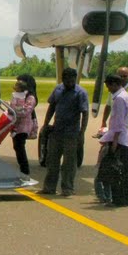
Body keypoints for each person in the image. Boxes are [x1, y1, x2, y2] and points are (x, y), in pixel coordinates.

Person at [40, 67, 89, 197]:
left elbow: (85, 113)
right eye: (67, 80)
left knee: (69, 163)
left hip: (72, 133)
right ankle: (49, 187)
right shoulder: (58, 89)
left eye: (72, 80)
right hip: (57, 131)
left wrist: (82, 133)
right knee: (52, 160)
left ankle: (67, 188)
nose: (69, 82)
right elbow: (52, 107)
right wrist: (45, 124)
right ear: (63, 79)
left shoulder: (80, 93)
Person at [96, 73, 128, 206]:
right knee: (123, 170)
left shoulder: (119, 99)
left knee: (114, 170)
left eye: (109, 86)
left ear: (115, 84)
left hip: (118, 139)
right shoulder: (126, 96)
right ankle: (125, 199)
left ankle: (117, 200)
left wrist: (114, 143)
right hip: (124, 137)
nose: (108, 89)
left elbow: (117, 122)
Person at [10, 74, 38, 175]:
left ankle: (25, 170)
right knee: (17, 146)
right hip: (16, 125)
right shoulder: (17, 96)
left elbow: (26, 111)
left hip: (24, 126)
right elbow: (12, 106)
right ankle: (23, 169)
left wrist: (14, 111)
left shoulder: (30, 97)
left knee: (19, 146)